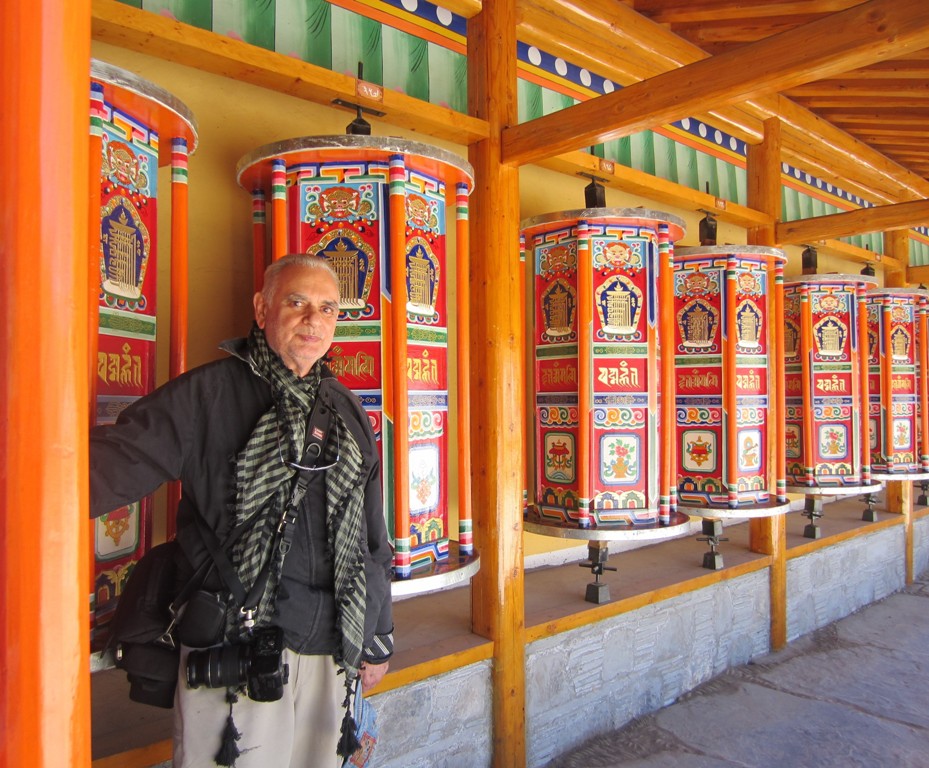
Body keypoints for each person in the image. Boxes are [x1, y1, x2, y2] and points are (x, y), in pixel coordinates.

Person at [90, 254, 394, 767]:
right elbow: (109, 466)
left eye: (327, 308)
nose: (313, 320)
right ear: (262, 308)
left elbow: (371, 534)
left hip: (331, 642)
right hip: (235, 644)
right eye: (296, 303)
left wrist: (378, 633)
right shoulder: (205, 397)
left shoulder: (347, 413)